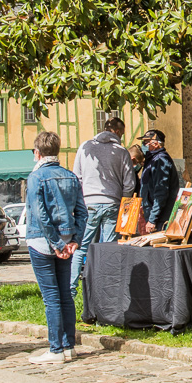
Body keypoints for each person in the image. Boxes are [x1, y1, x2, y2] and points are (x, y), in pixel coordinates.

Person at [25, 131, 87, 364]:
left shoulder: (36, 177)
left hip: (43, 240)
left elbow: (40, 214)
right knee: (65, 295)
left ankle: (55, 349)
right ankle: (68, 345)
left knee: (51, 296)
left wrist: (57, 243)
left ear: (37, 152)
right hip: (65, 239)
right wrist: (73, 241)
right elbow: (82, 212)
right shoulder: (70, 176)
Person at [70, 116, 135, 296]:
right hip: (112, 202)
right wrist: (124, 202)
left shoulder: (85, 147)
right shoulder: (121, 152)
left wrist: (80, 200)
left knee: (81, 246)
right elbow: (129, 183)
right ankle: (104, 289)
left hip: (88, 202)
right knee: (107, 246)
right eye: (122, 132)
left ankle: (71, 290)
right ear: (116, 131)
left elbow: (77, 177)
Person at [138, 129, 179, 231]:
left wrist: (152, 219)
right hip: (153, 214)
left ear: (155, 144)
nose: (143, 145)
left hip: (160, 218)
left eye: (145, 142)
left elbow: (161, 191)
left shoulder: (160, 160)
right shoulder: (152, 160)